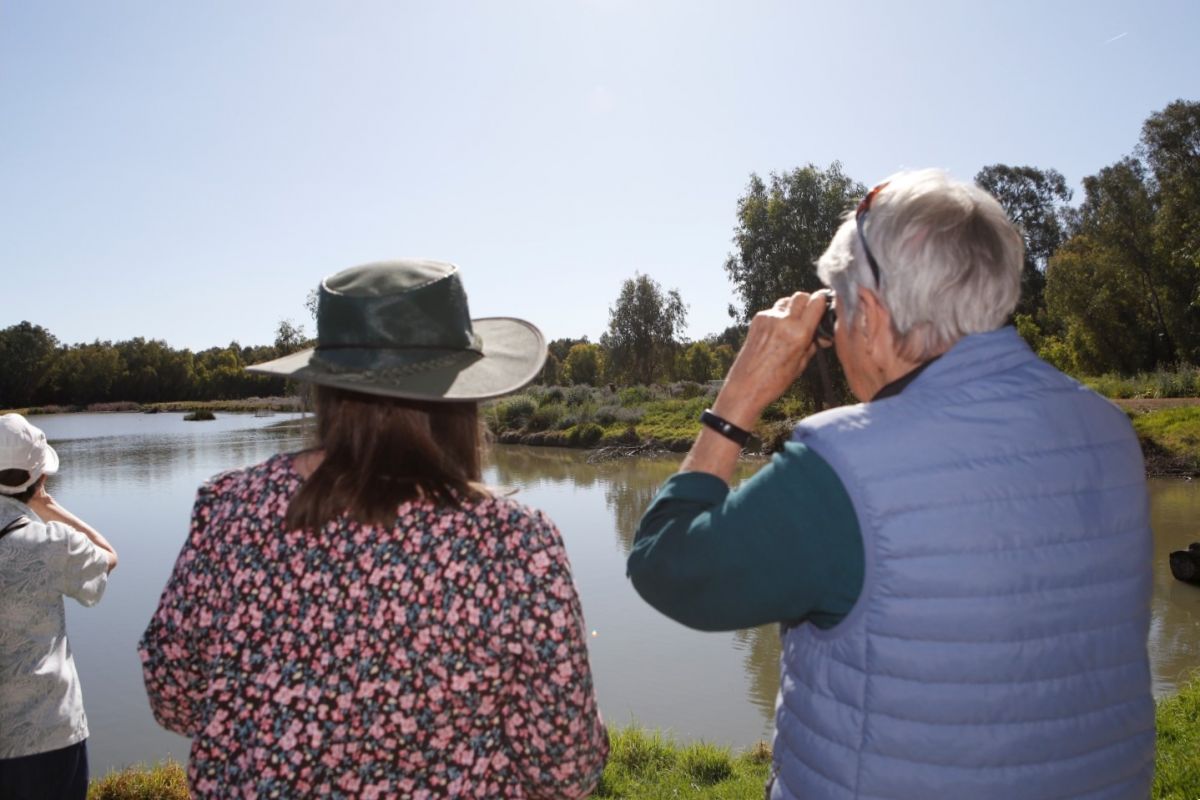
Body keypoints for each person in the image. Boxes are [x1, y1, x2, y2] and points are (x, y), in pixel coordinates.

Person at [627, 170, 1154, 799]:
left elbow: (670, 567)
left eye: (841, 313)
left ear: (871, 316)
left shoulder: (843, 466)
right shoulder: (1106, 430)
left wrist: (737, 397)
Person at [139, 259, 608, 799]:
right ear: (464, 396)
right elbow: (564, 769)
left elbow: (173, 698)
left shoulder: (229, 510)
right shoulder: (516, 546)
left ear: (326, 388)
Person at [0, 413, 119, 800]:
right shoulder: (50, 544)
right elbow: (107, 556)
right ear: (40, 478)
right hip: (48, 738)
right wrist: (46, 504)